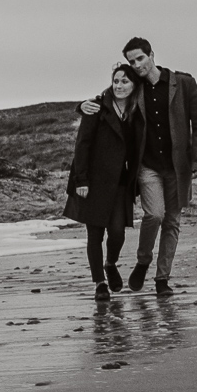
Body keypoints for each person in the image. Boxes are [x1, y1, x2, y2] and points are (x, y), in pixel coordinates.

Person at [79, 37, 197, 293]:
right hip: (147, 166)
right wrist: (81, 106)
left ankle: (162, 280)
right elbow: (111, 96)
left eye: (140, 58)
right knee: (155, 214)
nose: (136, 65)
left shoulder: (183, 83)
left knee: (172, 222)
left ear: (151, 55)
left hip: (177, 166)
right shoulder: (136, 88)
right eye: (131, 61)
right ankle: (142, 261)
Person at [65, 63, 143, 300]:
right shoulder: (96, 108)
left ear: (134, 84)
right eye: (116, 81)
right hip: (93, 181)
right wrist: (81, 180)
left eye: (124, 81)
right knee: (95, 234)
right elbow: (83, 145)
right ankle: (99, 282)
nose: (119, 86)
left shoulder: (137, 110)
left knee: (117, 233)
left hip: (120, 183)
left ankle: (111, 263)